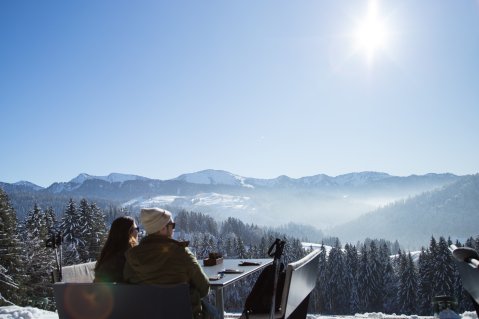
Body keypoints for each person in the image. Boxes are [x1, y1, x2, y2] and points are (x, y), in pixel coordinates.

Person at [124, 207, 216, 319]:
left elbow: (128, 287)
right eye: (172, 225)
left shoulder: (132, 256)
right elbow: (204, 288)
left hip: (147, 315)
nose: (173, 229)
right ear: (163, 228)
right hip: (185, 315)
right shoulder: (182, 253)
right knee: (214, 312)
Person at [94, 216, 139, 283]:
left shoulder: (106, 257)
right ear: (129, 232)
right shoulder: (132, 256)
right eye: (136, 229)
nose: (138, 232)